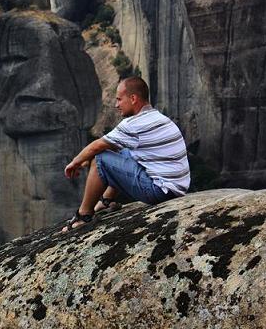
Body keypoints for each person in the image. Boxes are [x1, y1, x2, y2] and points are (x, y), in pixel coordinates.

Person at [61, 76, 190, 232]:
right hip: (176, 189)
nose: (116, 105)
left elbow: (96, 147)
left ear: (133, 98)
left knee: (100, 158)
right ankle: (106, 201)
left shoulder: (133, 124)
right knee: (122, 151)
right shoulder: (159, 118)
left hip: (160, 192)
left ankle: (84, 216)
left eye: (119, 99)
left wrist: (74, 162)